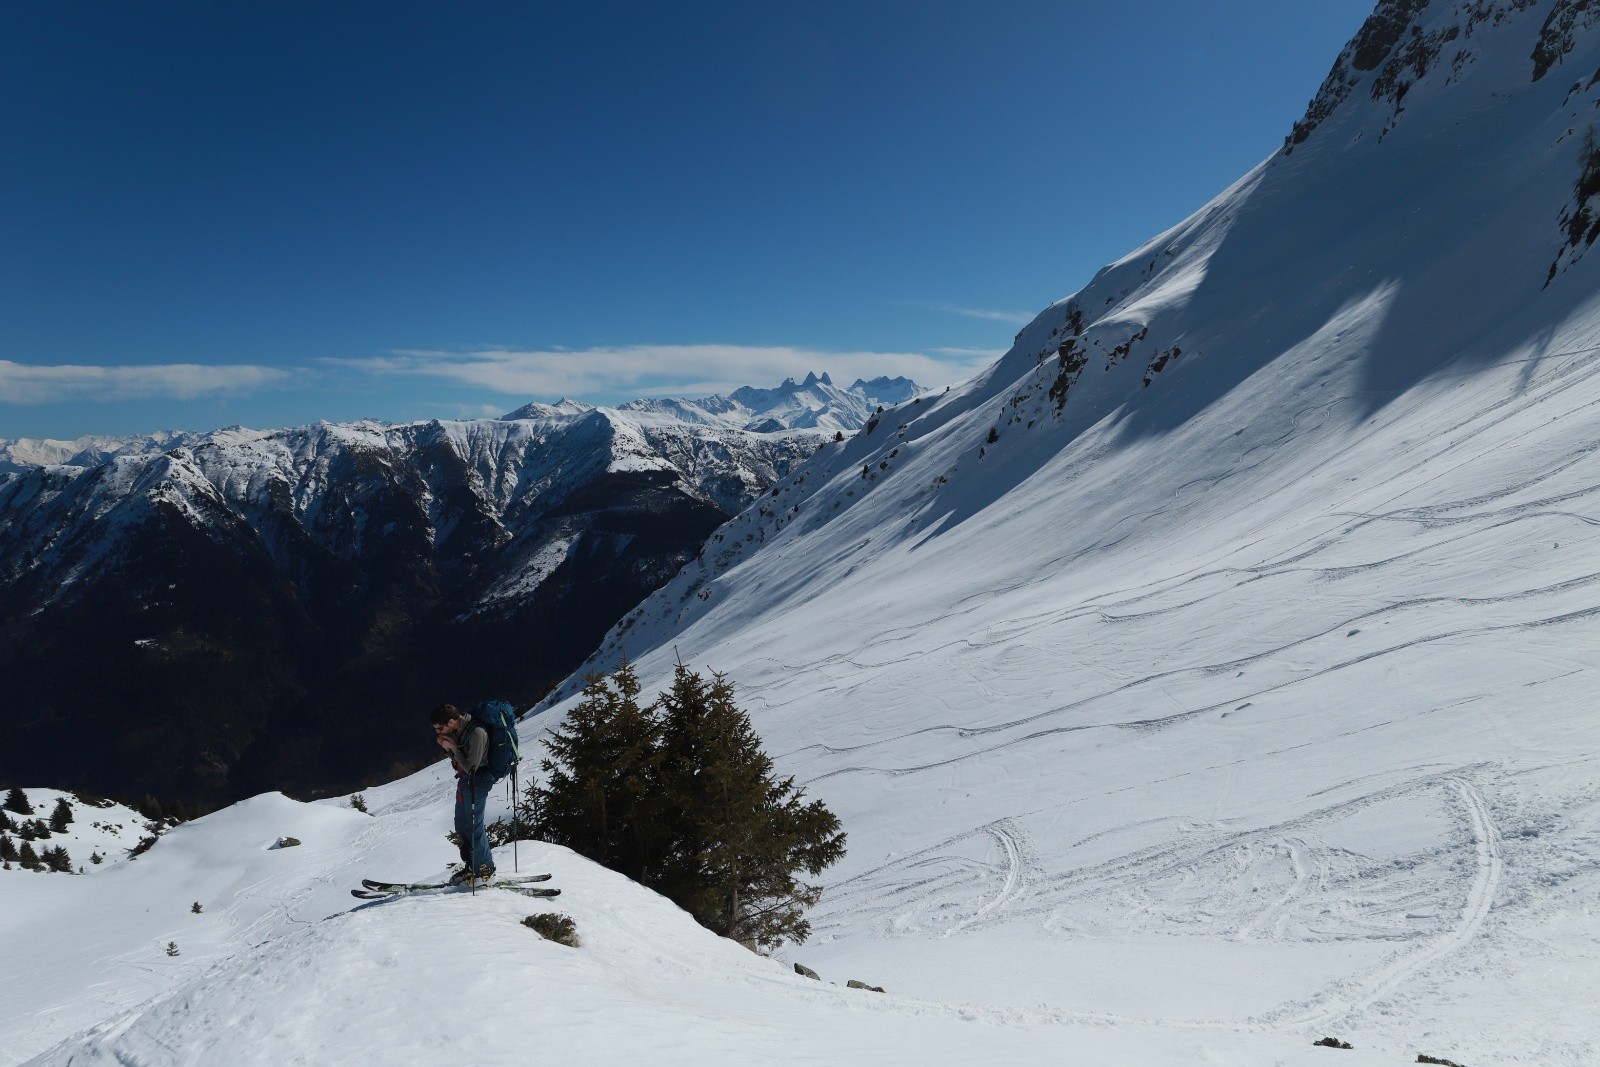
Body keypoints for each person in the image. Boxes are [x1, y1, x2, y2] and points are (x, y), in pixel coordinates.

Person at [432, 703, 496, 886]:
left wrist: (453, 748)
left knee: (474, 826)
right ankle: (472, 866)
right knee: (461, 824)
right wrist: (448, 748)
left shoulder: (477, 733)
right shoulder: (458, 731)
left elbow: (472, 768)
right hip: (465, 781)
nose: (437, 731)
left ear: (451, 721)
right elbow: (458, 761)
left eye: (439, 727)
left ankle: (485, 871)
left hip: (479, 781)